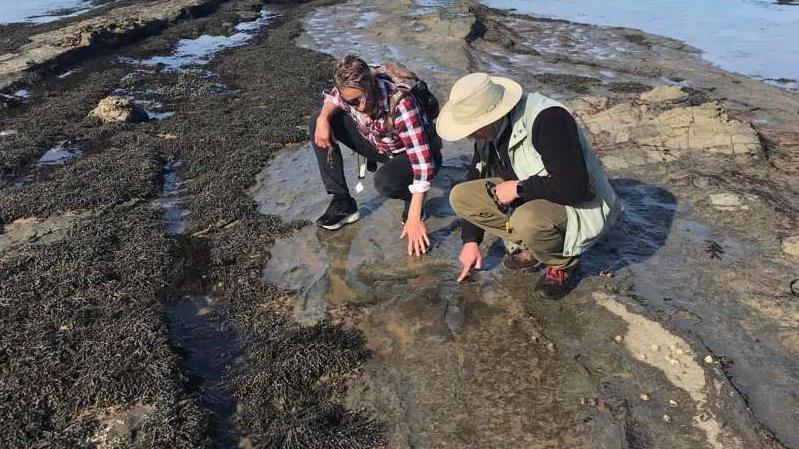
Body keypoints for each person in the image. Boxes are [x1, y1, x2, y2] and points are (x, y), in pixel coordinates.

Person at [436, 73, 622, 298]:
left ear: (493, 115)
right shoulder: (487, 134)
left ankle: (564, 262)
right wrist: (471, 241)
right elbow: (474, 178)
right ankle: (533, 243)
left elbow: (575, 188)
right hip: (536, 194)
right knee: (461, 196)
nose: (471, 135)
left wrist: (518, 188)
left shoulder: (548, 119)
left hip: (580, 203)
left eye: (474, 128)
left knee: (525, 220)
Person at [310, 55, 442, 257]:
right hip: (380, 146)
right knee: (317, 122)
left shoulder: (401, 103)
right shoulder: (347, 93)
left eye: (364, 97)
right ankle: (342, 202)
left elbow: (423, 165)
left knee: (385, 182)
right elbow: (333, 98)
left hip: (415, 154)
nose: (361, 106)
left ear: (371, 83)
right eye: (352, 102)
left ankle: (412, 200)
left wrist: (415, 217)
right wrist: (322, 118)